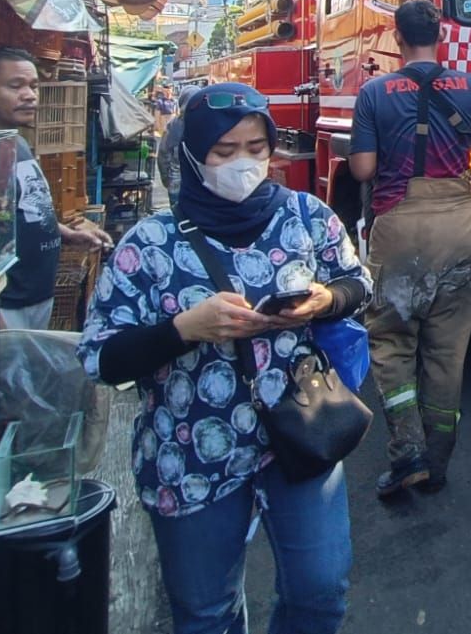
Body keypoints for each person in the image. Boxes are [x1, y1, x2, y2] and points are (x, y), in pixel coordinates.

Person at [77, 82, 372, 634]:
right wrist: (184, 329)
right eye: (224, 151)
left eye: (257, 148)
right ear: (192, 152)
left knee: (321, 593)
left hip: (301, 435)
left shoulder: (307, 216)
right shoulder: (149, 243)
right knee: (206, 613)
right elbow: (101, 359)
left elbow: (358, 286)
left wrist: (323, 301)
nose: (244, 163)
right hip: (190, 456)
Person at [349, 0, 471, 498]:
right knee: (447, 353)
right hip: (458, 227)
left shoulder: (374, 91)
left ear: (395, 37)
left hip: (400, 227)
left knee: (391, 341)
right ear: (442, 36)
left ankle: (407, 454)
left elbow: (363, 169)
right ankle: (440, 462)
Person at [0, 48, 111, 330]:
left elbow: (27, 208)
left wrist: (67, 233)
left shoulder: (16, 143)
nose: (30, 95)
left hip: (36, 295)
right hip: (5, 304)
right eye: (15, 85)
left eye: (34, 86)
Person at [156, 85, 197, 206]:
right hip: (201, 188)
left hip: (176, 185)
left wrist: (166, 180)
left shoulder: (173, 125)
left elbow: (163, 155)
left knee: (178, 220)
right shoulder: (208, 122)